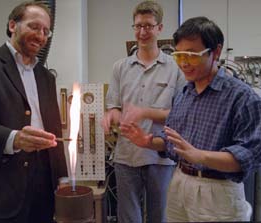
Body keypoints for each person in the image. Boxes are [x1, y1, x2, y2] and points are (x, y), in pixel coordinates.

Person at [120, 16, 261, 222]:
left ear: (216, 52)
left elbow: (249, 156)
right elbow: (173, 144)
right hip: (179, 184)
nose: (184, 63)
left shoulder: (242, 97)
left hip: (217, 193)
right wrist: (148, 142)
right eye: (179, 56)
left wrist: (200, 156)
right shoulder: (185, 94)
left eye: (192, 55)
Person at [0, 2, 67, 223]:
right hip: (1, 186)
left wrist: (62, 179)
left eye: (46, 31)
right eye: (34, 27)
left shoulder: (46, 77)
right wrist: (15, 139)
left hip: (43, 187)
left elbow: (54, 129)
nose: (41, 35)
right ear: (12, 25)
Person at [101, 1, 185, 222]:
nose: (142, 32)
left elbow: (182, 114)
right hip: (126, 155)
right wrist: (112, 115)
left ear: (160, 28)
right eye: (138, 26)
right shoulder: (120, 67)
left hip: (161, 156)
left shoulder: (175, 68)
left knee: (160, 216)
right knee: (128, 217)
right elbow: (114, 106)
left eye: (148, 26)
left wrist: (145, 112)